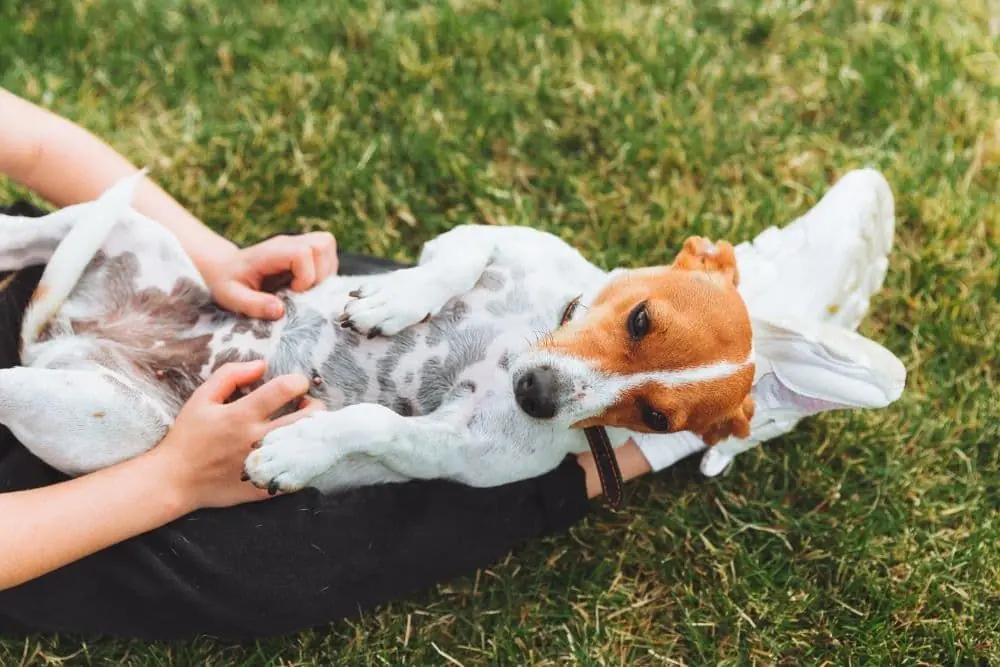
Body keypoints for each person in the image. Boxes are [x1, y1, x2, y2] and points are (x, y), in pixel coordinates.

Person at [0, 88, 901, 639]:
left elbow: (32, 143)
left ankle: (733, 340)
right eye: (638, 333)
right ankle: (653, 441)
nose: (572, 381)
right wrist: (169, 481)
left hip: (53, 272)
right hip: (46, 470)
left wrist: (208, 258)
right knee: (277, 549)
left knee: (377, 316)